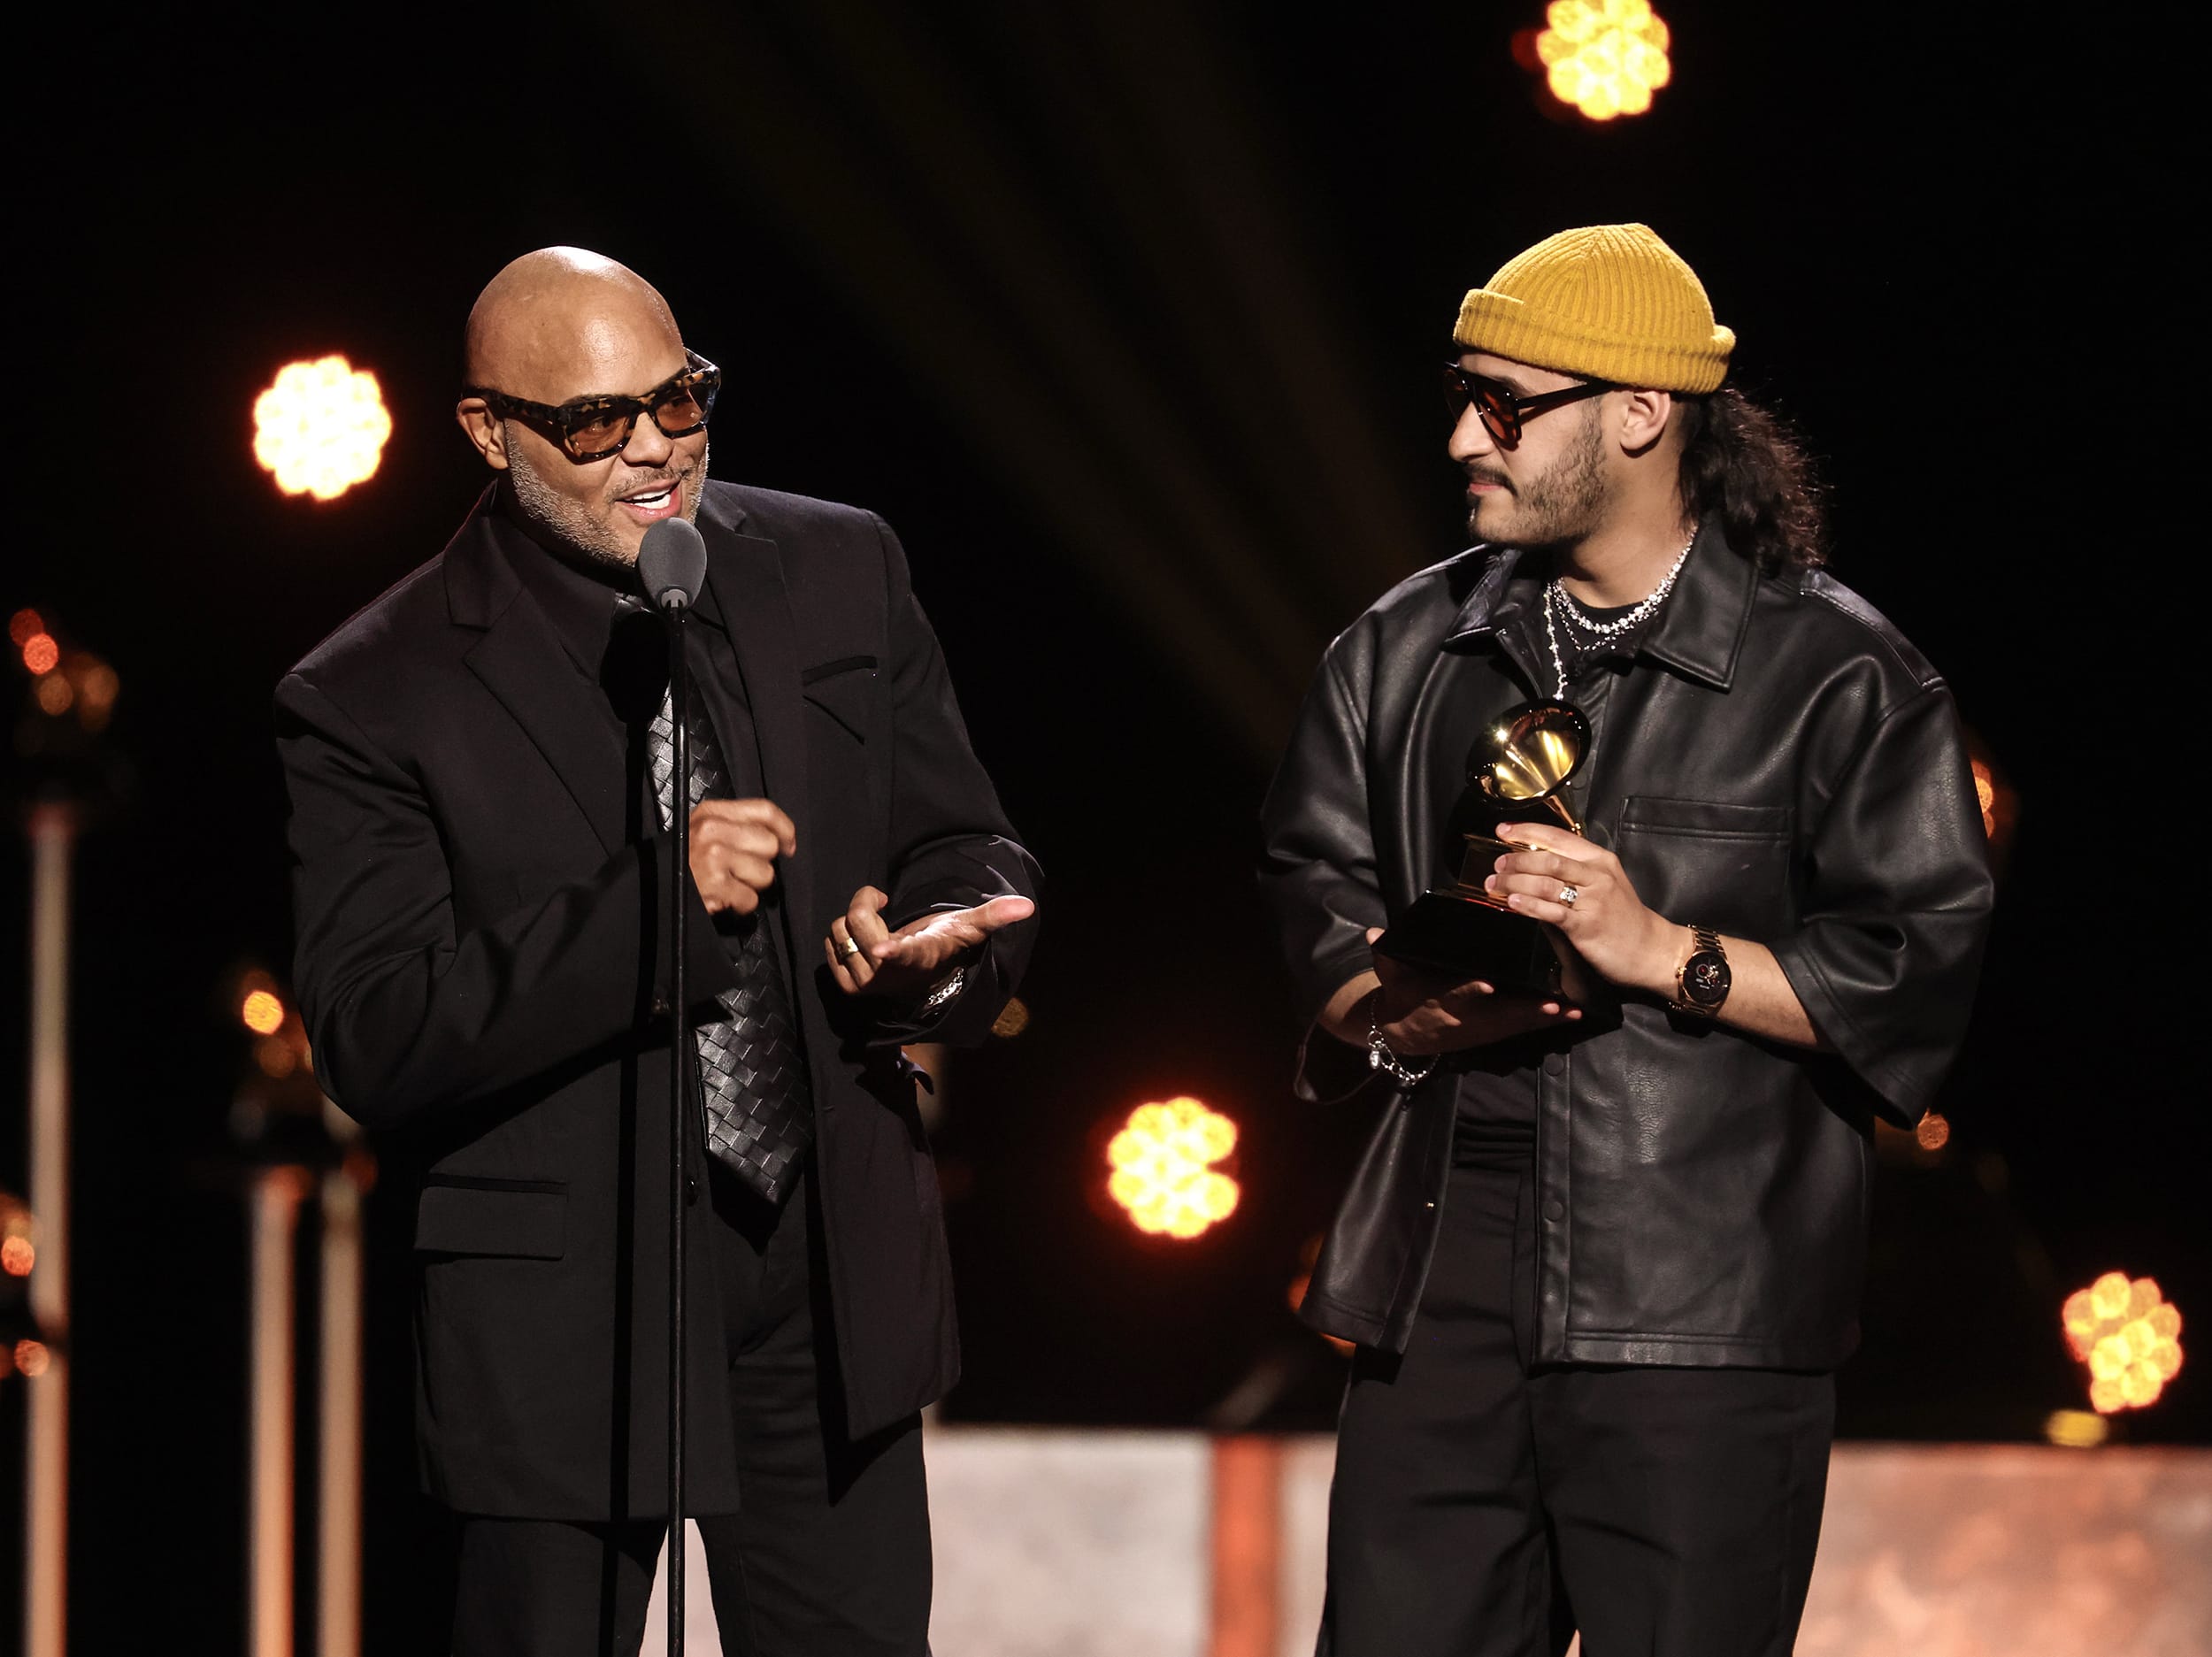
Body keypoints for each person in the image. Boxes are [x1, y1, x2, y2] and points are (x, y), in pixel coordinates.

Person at [276, 247, 1040, 1655]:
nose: (652, 452)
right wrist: (653, 907)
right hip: (572, 1313)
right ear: (488, 432)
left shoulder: (838, 564)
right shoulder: (374, 690)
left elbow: (966, 841)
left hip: (826, 1275)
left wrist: (948, 944)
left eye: (678, 400)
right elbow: (374, 1032)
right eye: (593, 423)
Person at [1258, 224, 1992, 1655]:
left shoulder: (1839, 674)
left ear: (1642, 412)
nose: (1468, 433)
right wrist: (1384, 1007)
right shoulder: (1401, 653)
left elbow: (1917, 970)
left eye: (1510, 404)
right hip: (1440, 1294)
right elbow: (1313, 896)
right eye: (1468, 393)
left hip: (1701, 1310)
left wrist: (1664, 949)